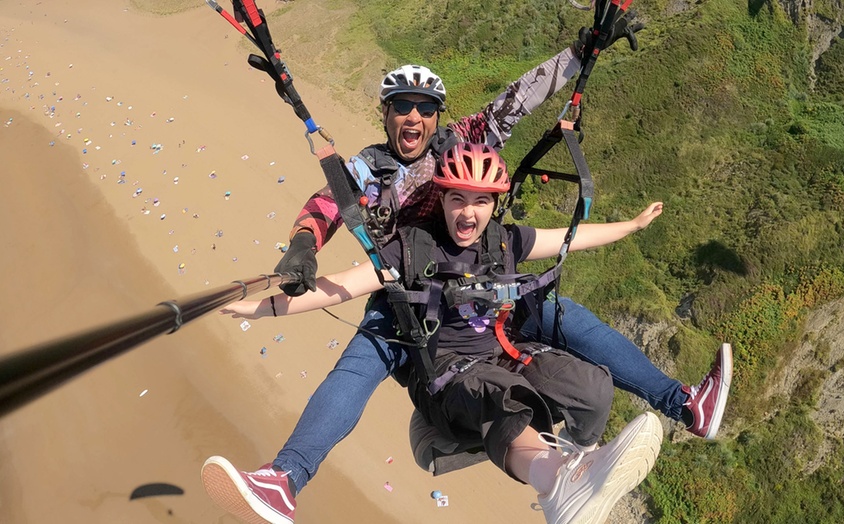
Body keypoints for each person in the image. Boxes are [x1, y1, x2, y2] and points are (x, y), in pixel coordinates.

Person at [202, 28, 731, 523]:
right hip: (404, 298)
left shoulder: (456, 147)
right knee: (356, 369)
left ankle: (684, 405)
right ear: (385, 114)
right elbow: (328, 200)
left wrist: (581, 52)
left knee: (564, 316)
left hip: (478, 284)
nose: (413, 117)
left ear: (436, 117)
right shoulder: (368, 168)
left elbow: (519, 99)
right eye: (402, 107)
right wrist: (302, 243)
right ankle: (285, 480)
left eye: (424, 108)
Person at [206, 143, 665, 524]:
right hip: (445, 376)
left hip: (503, 352)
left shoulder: (504, 242)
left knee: (593, 386)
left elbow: (571, 237)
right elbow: (340, 288)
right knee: (501, 394)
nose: (468, 212)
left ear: (494, 205)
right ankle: (555, 481)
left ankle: (581, 462)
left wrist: (633, 225)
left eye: (481, 200)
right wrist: (262, 309)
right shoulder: (410, 249)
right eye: (457, 199)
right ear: (441, 199)